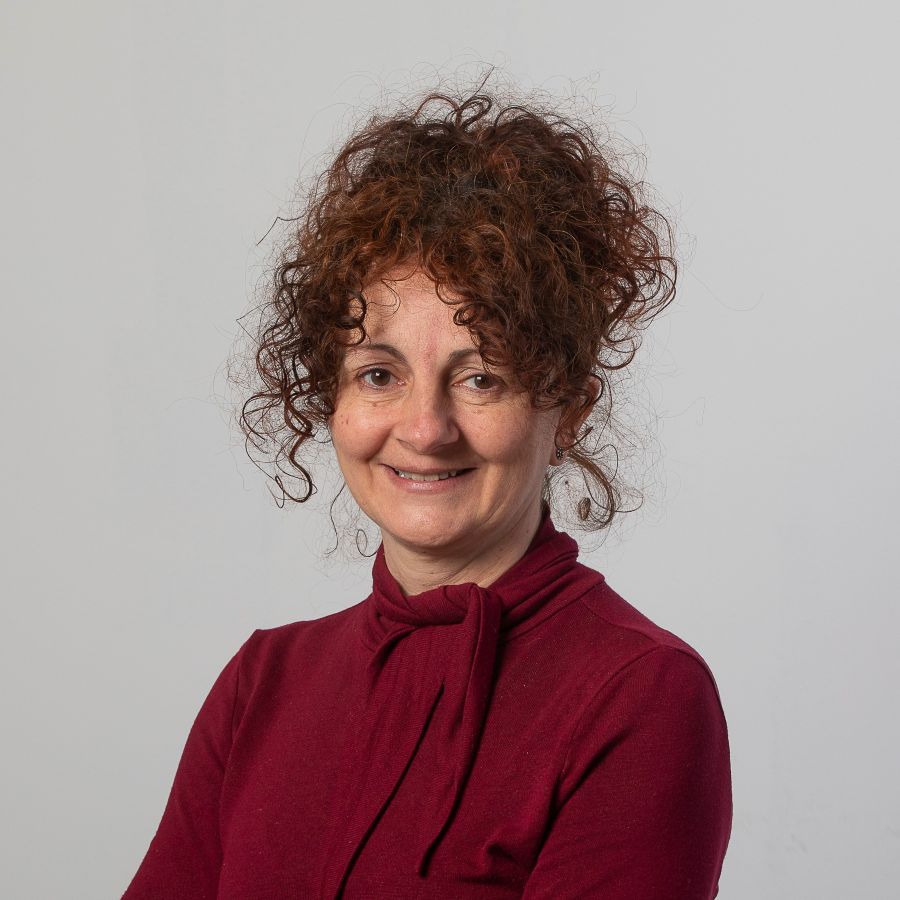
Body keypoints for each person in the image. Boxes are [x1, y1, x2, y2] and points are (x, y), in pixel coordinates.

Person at [123, 81, 732, 899]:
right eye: (379, 375)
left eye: (481, 378)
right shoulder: (262, 683)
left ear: (568, 409)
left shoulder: (641, 695)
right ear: (331, 397)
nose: (425, 428)